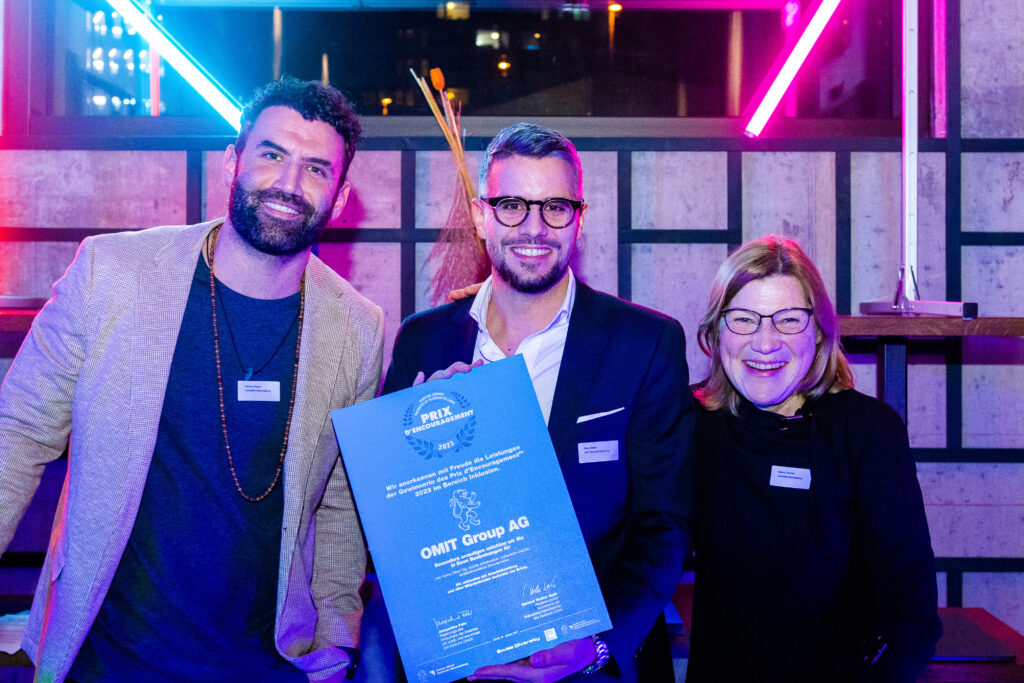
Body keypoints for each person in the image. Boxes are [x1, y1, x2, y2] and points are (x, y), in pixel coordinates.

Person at [0, 77, 383, 682]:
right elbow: (17, 433)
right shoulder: (112, 273)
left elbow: (339, 502)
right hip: (106, 662)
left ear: (339, 199)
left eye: (316, 169)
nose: (288, 183)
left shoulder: (359, 328)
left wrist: (336, 644)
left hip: (266, 668)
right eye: (271, 154)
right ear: (232, 163)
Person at [382, 122, 694, 682]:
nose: (534, 227)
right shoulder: (422, 343)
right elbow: (389, 523)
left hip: (592, 669)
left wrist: (597, 644)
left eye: (555, 206)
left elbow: (665, 523)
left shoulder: (645, 344)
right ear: (480, 216)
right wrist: (415, 450)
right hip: (458, 663)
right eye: (511, 206)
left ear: (580, 218)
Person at [686, 235, 941, 682]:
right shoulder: (689, 424)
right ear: (716, 332)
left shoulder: (867, 432)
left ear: (819, 333)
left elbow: (912, 616)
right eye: (743, 319)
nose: (765, 343)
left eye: (788, 320)